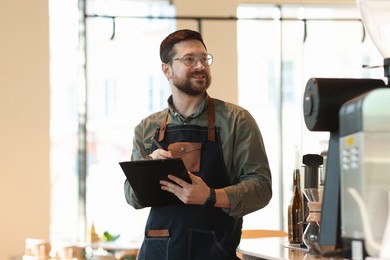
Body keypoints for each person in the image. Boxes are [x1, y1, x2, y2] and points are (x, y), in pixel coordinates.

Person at [124, 29, 272, 260]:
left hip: (215, 252)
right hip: (157, 252)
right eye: (189, 59)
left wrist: (210, 196)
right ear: (167, 69)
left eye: (204, 58)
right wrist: (147, 168)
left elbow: (261, 188)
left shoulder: (237, 121)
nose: (200, 65)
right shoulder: (146, 128)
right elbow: (131, 197)